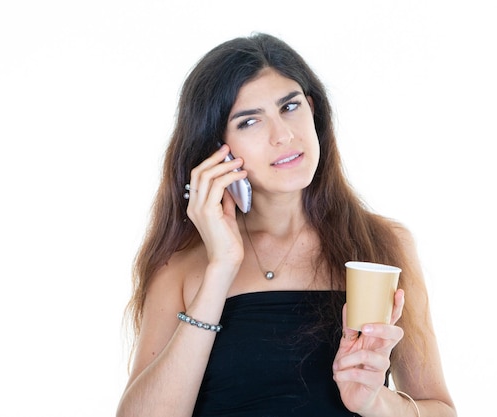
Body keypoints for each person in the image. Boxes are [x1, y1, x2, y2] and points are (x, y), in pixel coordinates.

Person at [116, 33, 456, 417]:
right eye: (249, 122)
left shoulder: (381, 244)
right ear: (217, 150)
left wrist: (376, 402)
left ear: (312, 109)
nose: (284, 135)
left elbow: (440, 409)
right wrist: (222, 266)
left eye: (290, 106)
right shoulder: (181, 266)